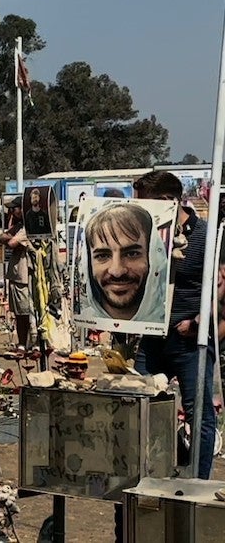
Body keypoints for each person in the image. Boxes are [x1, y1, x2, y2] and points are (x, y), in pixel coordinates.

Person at [131, 170, 215, 479]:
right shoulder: (145, 234)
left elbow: (220, 289)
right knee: (137, 403)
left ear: (167, 202)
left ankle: (198, 481)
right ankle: (149, 473)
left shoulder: (205, 237)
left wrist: (197, 323)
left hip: (190, 340)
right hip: (152, 338)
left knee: (200, 414)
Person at [82, 203, 159, 322]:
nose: (117, 271)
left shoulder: (171, 323)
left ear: (152, 256)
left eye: (131, 254)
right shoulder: (78, 324)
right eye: (102, 256)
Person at [0, 196, 34, 349]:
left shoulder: (28, 227)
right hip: (16, 274)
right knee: (19, 313)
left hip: (25, 276)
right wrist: (10, 237)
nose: (12, 212)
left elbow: (12, 243)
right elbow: (1, 237)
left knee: (26, 312)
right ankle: (21, 343)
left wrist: (10, 239)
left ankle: (30, 343)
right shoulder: (18, 226)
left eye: (14, 209)